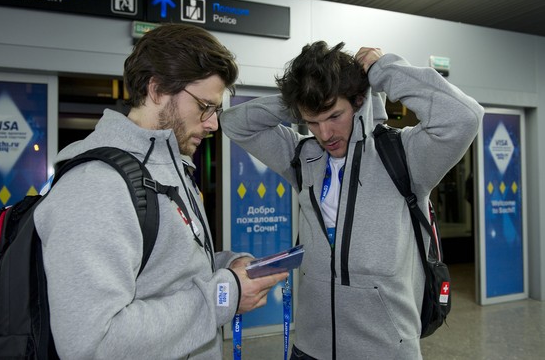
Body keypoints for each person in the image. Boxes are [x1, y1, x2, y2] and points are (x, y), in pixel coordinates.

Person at [34, 24, 288, 359]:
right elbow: (92, 344)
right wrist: (225, 294)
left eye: (216, 110)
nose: (213, 124)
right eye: (204, 106)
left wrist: (229, 267)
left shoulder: (171, 166)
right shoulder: (96, 184)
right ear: (156, 91)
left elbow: (166, 274)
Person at [220, 42, 484, 359]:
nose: (325, 133)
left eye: (334, 115)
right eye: (312, 122)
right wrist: (300, 100)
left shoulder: (405, 154)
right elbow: (234, 122)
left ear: (359, 102)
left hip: (385, 348)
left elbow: (464, 117)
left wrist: (382, 69)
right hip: (310, 347)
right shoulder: (304, 157)